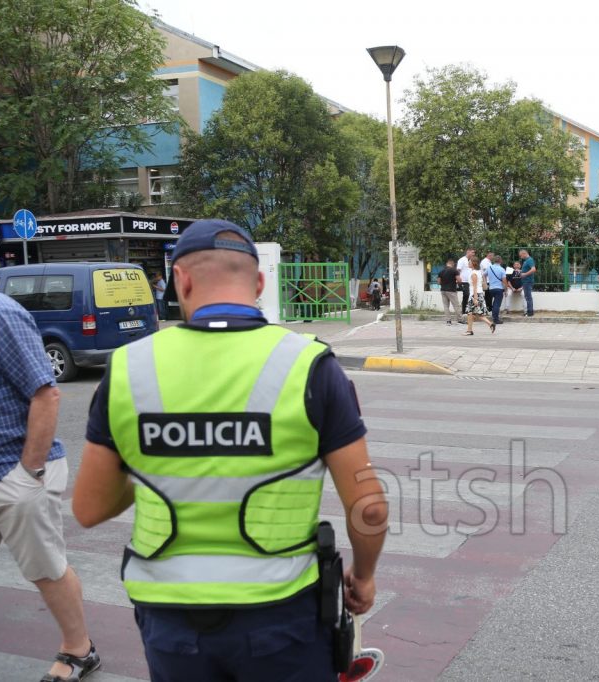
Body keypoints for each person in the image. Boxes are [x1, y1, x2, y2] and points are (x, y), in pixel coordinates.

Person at [72, 219, 388, 681]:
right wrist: (363, 576)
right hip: (281, 619)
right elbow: (370, 508)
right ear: (259, 283)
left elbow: (89, 507)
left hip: (172, 622)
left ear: (180, 280)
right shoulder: (309, 366)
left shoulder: (127, 368)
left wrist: (161, 461)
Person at [0, 251, 100, 682]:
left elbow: (46, 393)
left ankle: (79, 650)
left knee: (45, 570)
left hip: (12, 470)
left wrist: (28, 473)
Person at [464, 256, 495, 336]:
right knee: (478, 314)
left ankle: (469, 330)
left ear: (473, 263)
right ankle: (490, 324)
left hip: (475, 295)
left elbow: (474, 287)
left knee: (470, 313)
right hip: (479, 294)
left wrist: (475, 298)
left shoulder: (474, 273)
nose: (468, 263)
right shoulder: (479, 272)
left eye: (469, 262)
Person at [486, 255, 508, 324]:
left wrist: (485, 283)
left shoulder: (489, 268)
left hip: (491, 288)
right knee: (496, 304)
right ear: (500, 261)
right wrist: (506, 289)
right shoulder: (502, 269)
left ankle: (493, 316)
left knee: (494, 303)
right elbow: (504, 281)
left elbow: (483, 275)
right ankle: (495, 319)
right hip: (499, 289)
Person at [438, 259, 460, 325]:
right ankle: (460, 320)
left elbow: (439, 282)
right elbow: (459, 280)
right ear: (452, 264)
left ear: (447, 264)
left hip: (443, 290)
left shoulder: (441, 271)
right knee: (456, 305)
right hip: (452, 290)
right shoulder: (454, 270)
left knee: (446, 306)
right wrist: (457, 282)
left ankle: (448, 321)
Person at [456, 248, 475, 322]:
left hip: (470, 281)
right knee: (466, 295)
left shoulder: (471, 260)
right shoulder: (462, 260)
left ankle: (469, 311)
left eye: (474, 253)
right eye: (472, 252)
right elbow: (458, 270)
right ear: (468, 252)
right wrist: (457, 280)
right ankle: (464, 312)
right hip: (463, 281)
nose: (473, 254)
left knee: (470, 296)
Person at [518, 249, 536, 317]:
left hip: (528, 281)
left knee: (528, 297)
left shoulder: (529, 260)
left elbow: (533, 269)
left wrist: (525, 274)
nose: (520, 257)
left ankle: (530, 312)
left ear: (524, 253)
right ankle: (529, 312)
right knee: (527, 296)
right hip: (526, 281)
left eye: (521, 255)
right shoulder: (526, 261)